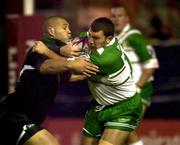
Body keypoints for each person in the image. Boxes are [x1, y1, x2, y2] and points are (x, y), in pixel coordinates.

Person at [34, 17, 143, 145]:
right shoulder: (90, 37)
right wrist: (60, 47)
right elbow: (66, 48)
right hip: (99, 104)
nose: (90, 41)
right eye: (90, 35)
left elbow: (71, 66)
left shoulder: (107, 58)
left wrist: (46, 51)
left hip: (124, 106)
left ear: (108, 39)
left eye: (96, 38)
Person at [0, 16, 98, 145]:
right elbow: (45, 66)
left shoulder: (55, 53)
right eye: (64, 27)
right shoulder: (41, 47)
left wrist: (94, 71)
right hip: (16, 118)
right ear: (52, 31)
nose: (69, 31)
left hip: (24, 119)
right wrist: (71, 63)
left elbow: (68, 76)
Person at [110, 4, 159, 145]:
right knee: (120, 133)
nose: (116, 19)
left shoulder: (136, 37)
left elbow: (151, 65)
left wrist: (138, 87)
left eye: (120, 16)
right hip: (118, 93)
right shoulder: (110, 40)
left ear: (127, 19)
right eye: (113, 16)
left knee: (125, 127)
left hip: (138, 92)